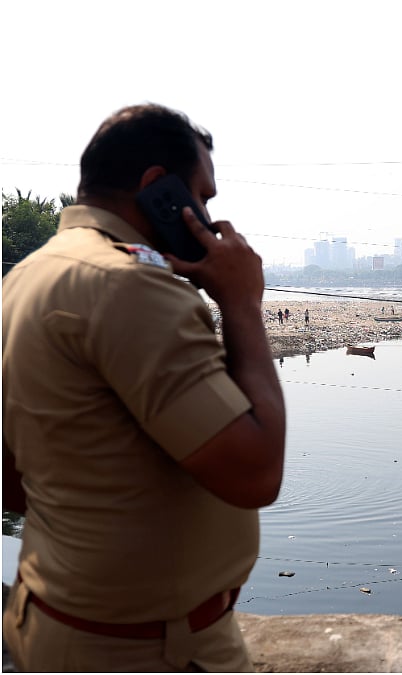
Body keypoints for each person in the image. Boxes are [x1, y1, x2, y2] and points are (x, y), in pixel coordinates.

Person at [2, 104, 287, 671]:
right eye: (202, 198)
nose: (207, 217)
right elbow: (255, 472)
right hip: (143, 650)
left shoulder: (23, 279)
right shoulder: (131, 286)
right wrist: (242, 302)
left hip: (53, 627)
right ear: (159, 187)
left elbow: (12, 486)